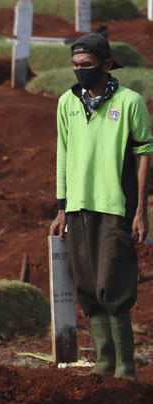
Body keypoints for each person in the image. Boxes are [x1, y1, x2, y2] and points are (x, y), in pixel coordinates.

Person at [49, 33, 152, 380]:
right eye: (75, 65)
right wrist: (62, 206)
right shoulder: (67, 102)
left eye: (87, 65)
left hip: (115, 206)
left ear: (106, 65)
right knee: (88, 283)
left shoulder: (130, 102)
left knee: (114, 282)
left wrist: (141, 211)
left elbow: (144, 155)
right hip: (78, 205)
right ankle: (104, 361)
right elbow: (63, 154)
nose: (80, 71)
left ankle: (126, 367)